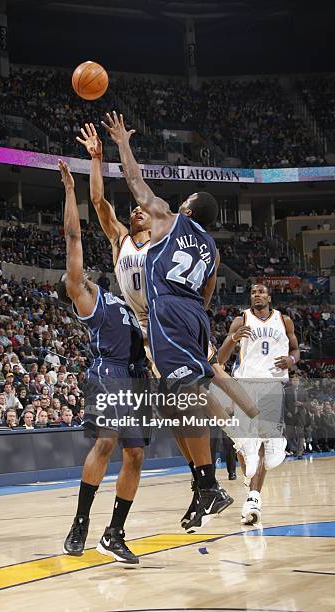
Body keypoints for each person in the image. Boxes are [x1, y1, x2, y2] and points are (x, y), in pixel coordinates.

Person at [102, 113, 237, 531]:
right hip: (195, 315)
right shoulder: (213, 248)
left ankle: (211, 483)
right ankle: (203, 487)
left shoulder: (168, 218)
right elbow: (208, 293)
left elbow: (134, 179)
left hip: (170, 313)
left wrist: (122, 142)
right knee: (174, 403)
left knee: (186, 398)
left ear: (189, 207)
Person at [58, 160, 145, 565]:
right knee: (106, 441)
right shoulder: (88, 301)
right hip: (108, 373)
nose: (74, 273)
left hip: (134, 376)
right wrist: (69, 192)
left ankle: (115, 533)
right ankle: (80, 523)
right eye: (70, 277)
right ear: (73, 290)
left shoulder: (115, 297)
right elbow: (73, 237)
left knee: (135, 456)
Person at [218, 284, 300, 525]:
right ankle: (251, 481)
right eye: (253, 292)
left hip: (272, 386)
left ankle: (254, 497)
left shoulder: (283, 321)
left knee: (263, 443)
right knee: (245, 445)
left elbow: (295, 350)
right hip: (245, 386)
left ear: (269, 297)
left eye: (261, 292)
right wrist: (233, 338)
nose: (257, 295)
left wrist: (291, 359)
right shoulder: (240, 320)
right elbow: (221, 360)